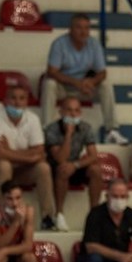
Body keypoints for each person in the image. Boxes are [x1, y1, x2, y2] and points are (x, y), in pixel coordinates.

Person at [41, 13, 128, 145]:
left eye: (87, 28)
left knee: (105, 84)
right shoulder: (59, 44)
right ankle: (46, 130)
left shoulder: (94, 44)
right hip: (64, 87)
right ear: (70, 29)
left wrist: (91, 82)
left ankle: (112, 131)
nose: (83, 32)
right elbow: (51, 71)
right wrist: (77, 83)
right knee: (49, 84)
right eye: (79, 27)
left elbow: (102, 73)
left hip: (85, 89)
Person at [0, 85, 56, 230]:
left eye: (22, 98)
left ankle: (48, 217)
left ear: (27, 102)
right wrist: (29, 156)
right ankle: (2, 217)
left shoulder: (33, 119)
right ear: (5, 100)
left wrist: (9, 151)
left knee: (43, 168)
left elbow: (39, 151)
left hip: (24, 170)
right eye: (13, 98)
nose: (17, 102)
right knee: (3, 164)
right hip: (3, 170)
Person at [45, 96, 103, 232]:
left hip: (75, 165)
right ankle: (59, 215)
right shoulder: (52, 129)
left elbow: (93, 156)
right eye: (69, 110)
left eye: (76, 111)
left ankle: (94, 216)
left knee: (96, 170)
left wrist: (76, 165)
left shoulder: (85, 127)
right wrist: (68, 134)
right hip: (54, 168)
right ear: (61, 112)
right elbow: (60, 158)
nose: (73, 114)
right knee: (63, 168)